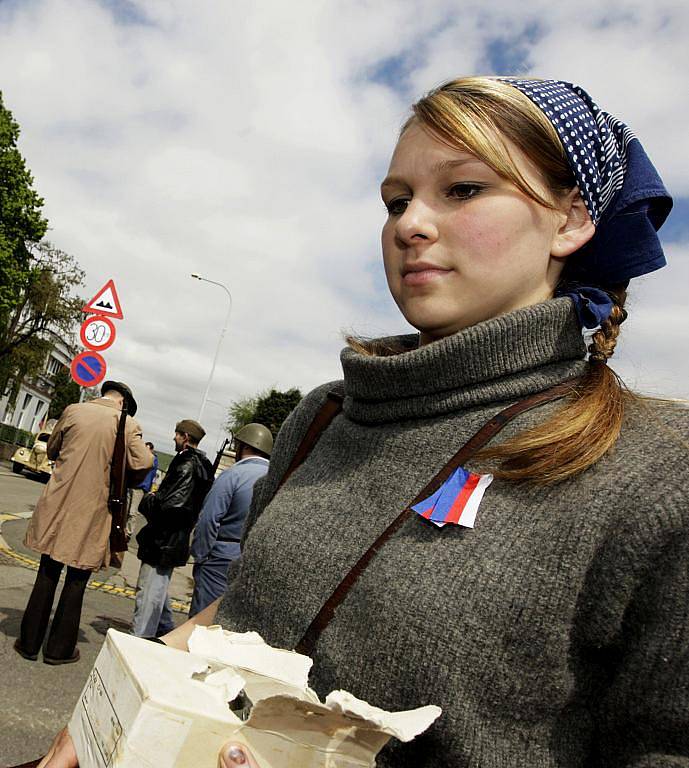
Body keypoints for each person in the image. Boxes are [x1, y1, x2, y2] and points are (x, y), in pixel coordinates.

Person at [36, 76, 688, 768]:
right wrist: (103, 712)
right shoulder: (322, 415)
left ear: (572, 219)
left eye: (462, 189)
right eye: (396, 200)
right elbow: (238, 613)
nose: (409, 224)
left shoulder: (654, 477)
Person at [14, 381, 152, 665]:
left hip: (58, 503)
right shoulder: (126, 424)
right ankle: (58, 649)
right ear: (124, 403)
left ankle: (29, 643)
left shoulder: (73, 410)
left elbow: (52, 450)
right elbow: (144, 463)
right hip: (94, 510)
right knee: (77, 579)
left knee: (47, 572)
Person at [131, 419, 213, 637]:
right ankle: (165, 631)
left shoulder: (186, 464)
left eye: (177, 434)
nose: (174, 438)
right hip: (173, 540)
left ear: (185, 437)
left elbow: (171, 507)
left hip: (162, 541)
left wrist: (148, 500)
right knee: (157, 592)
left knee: (148, 596)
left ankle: (140, 641)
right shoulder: (202, 465)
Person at [189, 423, 272, 616]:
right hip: (255, 560)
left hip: (221, 558)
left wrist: (200, 555)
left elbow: (208, 519)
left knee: (202, 623)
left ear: (242, 446)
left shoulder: (232, 475)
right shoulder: (278, 480)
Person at [125, 441, 158, 539]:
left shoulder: (153, 460)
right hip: (132, 485)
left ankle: (128, 532)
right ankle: (123, 528)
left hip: (140, 488)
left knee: (132, 511)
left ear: (151, 450)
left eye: (147, 449)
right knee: (126, 509)